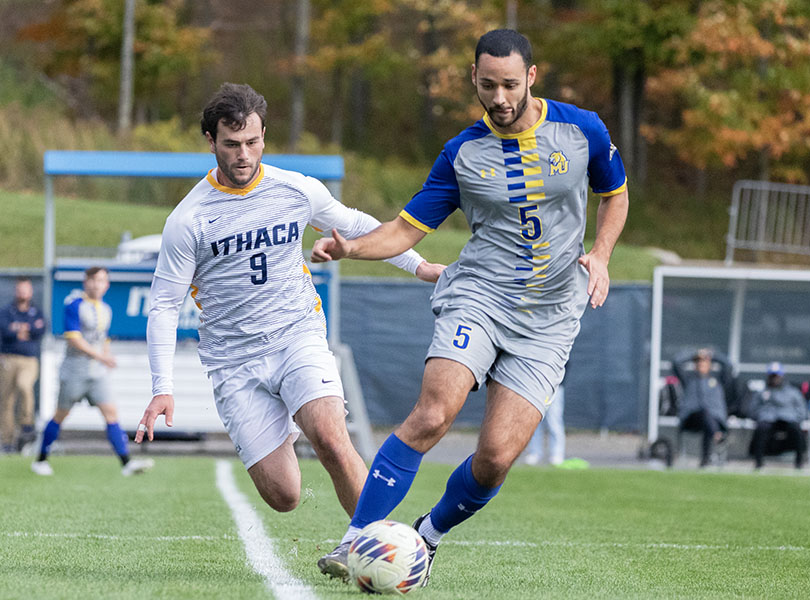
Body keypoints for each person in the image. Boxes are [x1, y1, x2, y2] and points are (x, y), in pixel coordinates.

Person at [312, 28, 628, 585]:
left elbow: (615, 194)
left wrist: (600, 254)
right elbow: (405, 230)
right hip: (478, 296)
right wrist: (352, 248)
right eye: (488, 86)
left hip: (550, 319)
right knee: (434, 412)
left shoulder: (582, 130)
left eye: (510, 84)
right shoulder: (462, 154)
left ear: (532, 77)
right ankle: (353, 541)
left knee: (495, 460)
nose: (500, 98)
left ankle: (425, 539)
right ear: (473, 81)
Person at [134, 83, 443, 516]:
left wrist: (420, 266)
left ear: (264, 137)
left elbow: (354, 225)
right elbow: (164, 305)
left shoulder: (296, 190)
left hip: (297, 335)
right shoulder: (188, 219)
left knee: (333, 440)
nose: (244, 154)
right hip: (234, 361)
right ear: (211, 142)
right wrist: (161, 389)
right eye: (232, 144)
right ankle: (287, 426)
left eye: (252, 142)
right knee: (284, 496)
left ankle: (376, 547)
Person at [31, 267, 154, 477]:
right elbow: (73, 338)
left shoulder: (106, 309)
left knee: (111, 414)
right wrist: (101, 357)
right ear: (86, 282)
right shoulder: (74, 304)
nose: (98, 285)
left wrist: (106, 356)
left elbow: (103, 337)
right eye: (94, 280)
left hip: (97, 373)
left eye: (103, 281)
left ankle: (126, 463)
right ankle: (41, 459)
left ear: (107, 285)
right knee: (60, 415)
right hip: (74, 370)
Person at [0, 277, 45, 453]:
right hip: (8, 359)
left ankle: (26, 424)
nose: (23, 293)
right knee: (7, 402)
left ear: (31, 292)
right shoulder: (6, 311)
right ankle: (7, 442)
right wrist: (23, 329)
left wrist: (19, 328)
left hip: (28, 359)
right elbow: (5, 331)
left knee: (25, 386)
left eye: (26, 289)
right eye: (20, 289)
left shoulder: (36, 312)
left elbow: (39, 329)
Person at [671, 348, 731, 467]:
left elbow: (728, 365)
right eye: (698, 362)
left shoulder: (718, 379)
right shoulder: (689, 379)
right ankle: (717, 436)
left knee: (708, 419)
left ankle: (705, 460)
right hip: (692, 419)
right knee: (704, 414)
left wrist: (712, 354)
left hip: (714, 420)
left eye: (704, 361)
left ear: (710, 364)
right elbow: (676, 362)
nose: (701, 364)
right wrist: (694, 353)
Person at [750, 361, 807, 469]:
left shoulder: (792, 391)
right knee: (761, 428)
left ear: (782, 376)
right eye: (772, 376)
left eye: (776, 376)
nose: (774, 378)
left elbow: (801, 409)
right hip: (768, 420)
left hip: (788, 419)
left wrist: (797, 418)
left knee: (797, 429)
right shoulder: (762, 392)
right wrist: (760, 416)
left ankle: (799, 461)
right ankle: (758, 461)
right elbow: (753, 409)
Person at [523, 382, 565, 466]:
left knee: (554, 422)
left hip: (555, 387)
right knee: (535, 420)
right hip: (537, 387)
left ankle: (557, 454)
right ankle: (535, 452)